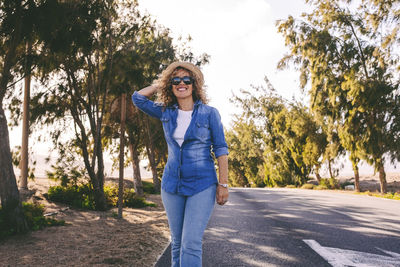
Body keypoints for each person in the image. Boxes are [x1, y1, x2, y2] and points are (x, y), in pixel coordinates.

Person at [131, 61, 229, 267]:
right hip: (172, 184)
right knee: (176, 243)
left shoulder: (210, 113)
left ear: (195, 84)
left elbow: (221, 149)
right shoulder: (167, 111)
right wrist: (162, 83)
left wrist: (223, 184)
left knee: (190, 242)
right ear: (171, 84)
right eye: (176, 80)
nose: (181, 83)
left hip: (202, 184)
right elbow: (138, 98)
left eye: (187, 79)